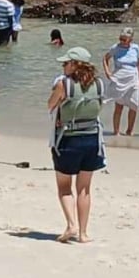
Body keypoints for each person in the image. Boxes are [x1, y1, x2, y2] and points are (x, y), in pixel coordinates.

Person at [46, 47, 104, 244]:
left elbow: (50, 105)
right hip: (92, 139)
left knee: (64, 187)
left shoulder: (64, 84)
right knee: (85, 188)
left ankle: (71, 224)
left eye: (65, 63)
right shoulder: (99, 84)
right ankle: (84, 233)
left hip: (69, 139)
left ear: (74, 65)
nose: (63, 66)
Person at [102, 27, 139, 137]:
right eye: (121, 38)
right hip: (119, 78)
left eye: (124, 39)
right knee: (119, 105)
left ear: (130, 40)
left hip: (133, 77)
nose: (122, 41)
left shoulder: (136, 48)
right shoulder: (115, 48)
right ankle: (116, 131)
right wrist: (107, 72)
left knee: (133, 105)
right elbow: (105, 58)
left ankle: (130, 130)